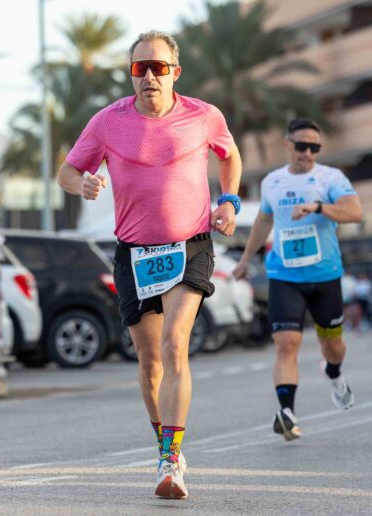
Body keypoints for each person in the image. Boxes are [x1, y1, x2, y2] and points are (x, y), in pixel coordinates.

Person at [58, 30, 242, 498]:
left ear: (175, 72)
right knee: (149, 361)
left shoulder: (203, 115)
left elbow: (230, 155)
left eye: (159, 68)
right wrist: (81, 184)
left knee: (175, 344)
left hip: (190, 245)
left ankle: (170, 461)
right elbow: (68, 170)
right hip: (135, 253)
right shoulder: (108, 121)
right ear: (132, 74)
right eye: (141, 68)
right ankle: (168, 446)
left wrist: (229, 201)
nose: (150, 77)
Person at [233, 117, 362, 441]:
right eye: (302, 146)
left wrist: (318, 207)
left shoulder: (330, 178)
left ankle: (333, 372)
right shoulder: (272, 182)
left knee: (332, 345)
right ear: (288, 144)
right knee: (286, 343)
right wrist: (245, 261)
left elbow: (354, 211)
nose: (308, 153)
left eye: (314, 147)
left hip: (325, 276)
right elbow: (264, 221)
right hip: (284, 275)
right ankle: (287, 413)